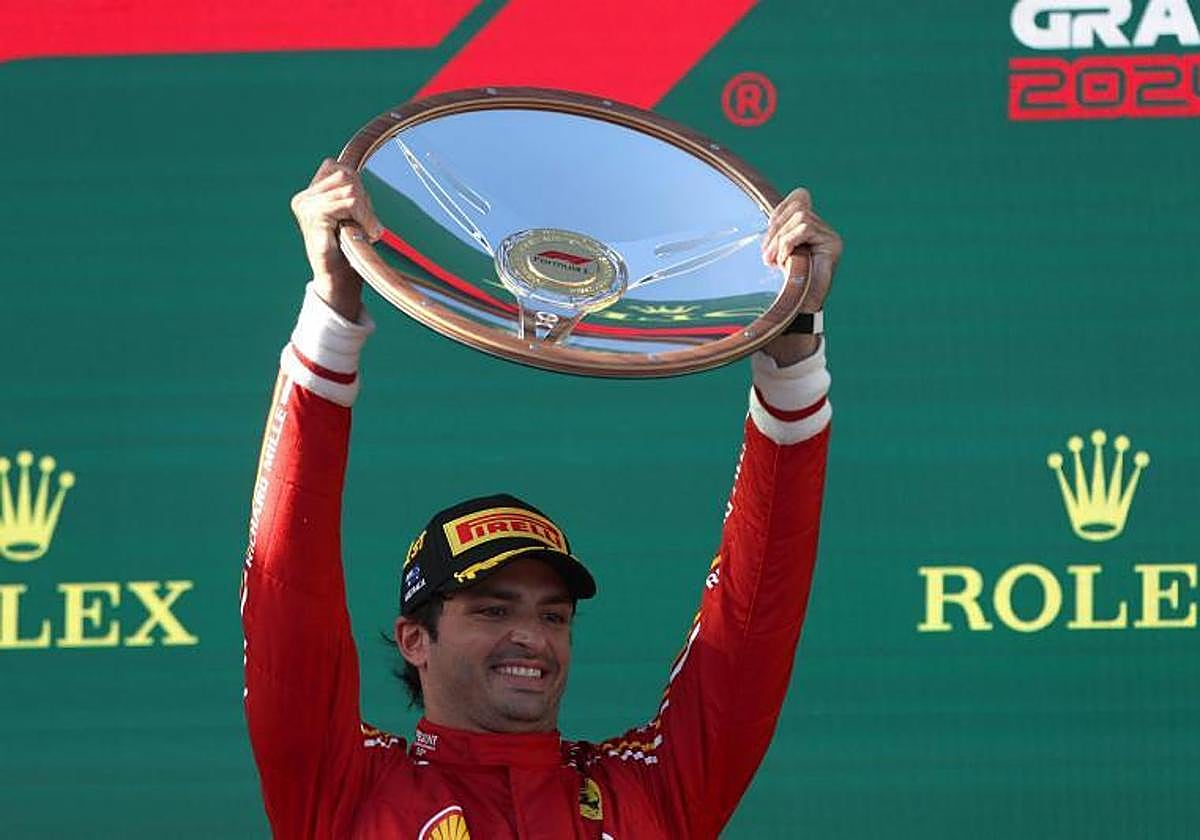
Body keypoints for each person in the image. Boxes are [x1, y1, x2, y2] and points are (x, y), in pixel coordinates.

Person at [242, 158, 841, 839]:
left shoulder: (649, 790)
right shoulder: (348, 788)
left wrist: (793, 354)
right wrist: (333, 313)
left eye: (554, 616)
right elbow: (287, 586)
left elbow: (755, 615)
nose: (531, 636)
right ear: (414, 640)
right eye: (493, 609)